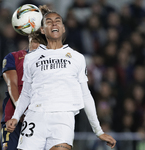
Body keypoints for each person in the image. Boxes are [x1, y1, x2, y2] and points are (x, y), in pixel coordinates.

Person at [6, 6, 116, 150]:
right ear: (42, 30)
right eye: (49, 21)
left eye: (58, 21)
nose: (54, 24)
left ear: (63, 29)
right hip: (35, 117)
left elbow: (85, 95)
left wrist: (98, 131)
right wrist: (15, 116)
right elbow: (26, 93)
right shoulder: (31, 58)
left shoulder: (77, 58)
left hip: (63, 119)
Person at [1, 24, 47, 150]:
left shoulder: (50, 61)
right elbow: (12, 85)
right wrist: (21, 112)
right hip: (13, 118)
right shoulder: (13, 57)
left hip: (40, 119)